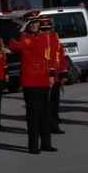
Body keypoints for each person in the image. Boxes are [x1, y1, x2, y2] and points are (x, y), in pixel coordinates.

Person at [9, 10, 56, 153]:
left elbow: (50, 57)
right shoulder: (23, 38)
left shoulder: (44, 37)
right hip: (30, 80)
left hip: (43, 78)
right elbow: (12, 46)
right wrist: (21, 30)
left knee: (45, 113)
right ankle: (33, 145)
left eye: (36, 22)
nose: (35, 25)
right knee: (33, 114)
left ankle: (46, 143)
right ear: (28, 24)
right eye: (32, 22)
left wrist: (51, 75)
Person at [40, 17, 70, 134]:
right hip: (43, 75)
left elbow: (61, 56)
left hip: (55, 75)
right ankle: (46, 125)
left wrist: (64, 72)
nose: (46, 31)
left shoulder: (54, 38)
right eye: (44, 29)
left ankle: (54, 125)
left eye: (48, 29)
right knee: (45, 103)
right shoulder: (39, 40)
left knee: (54, 102)